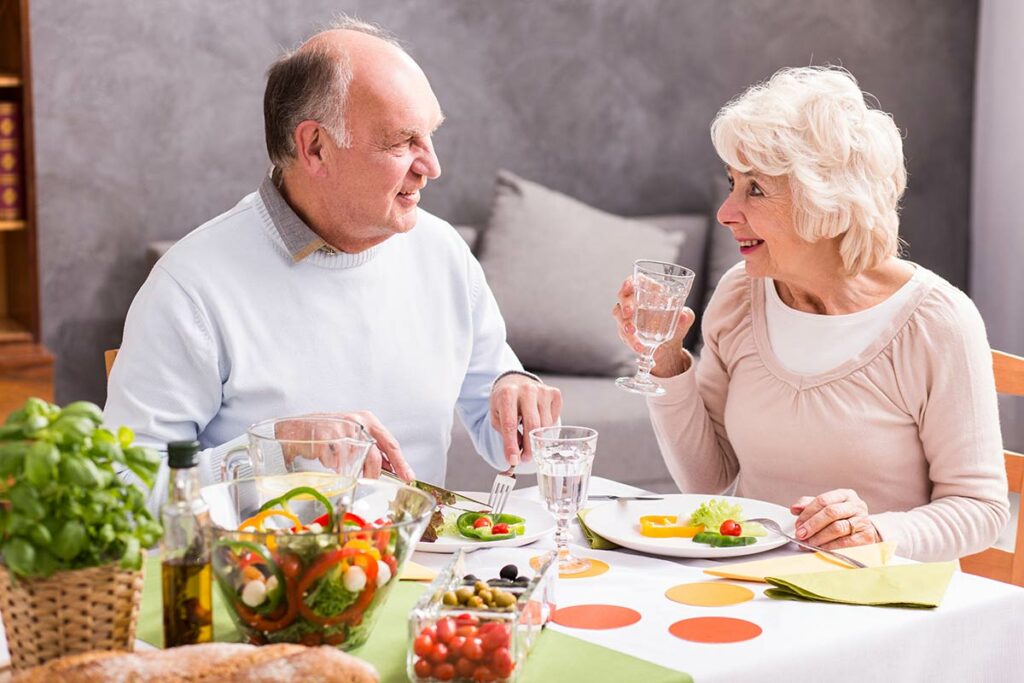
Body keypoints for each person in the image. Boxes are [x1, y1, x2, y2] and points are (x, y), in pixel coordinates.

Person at [105, 18, 561, 510]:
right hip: (262, 577)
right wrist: (273, 452)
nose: (432, 165)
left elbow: (507, 438)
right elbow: (124, 493)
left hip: (421, 572)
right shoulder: (191, 285)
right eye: (402, 141)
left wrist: (517, 392)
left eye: (429, 136)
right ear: (316, 148)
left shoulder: (442, 251)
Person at [612, 67, 1008, 562]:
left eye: (754, 189)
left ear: (828, 200)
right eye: (732, 183)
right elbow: (707, 481)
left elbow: (980, 509)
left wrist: (876, 533)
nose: (726, 212)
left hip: (874, 601)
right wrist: (667, 360)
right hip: (750, 586)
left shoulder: (937, 321)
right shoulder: (740, 296)